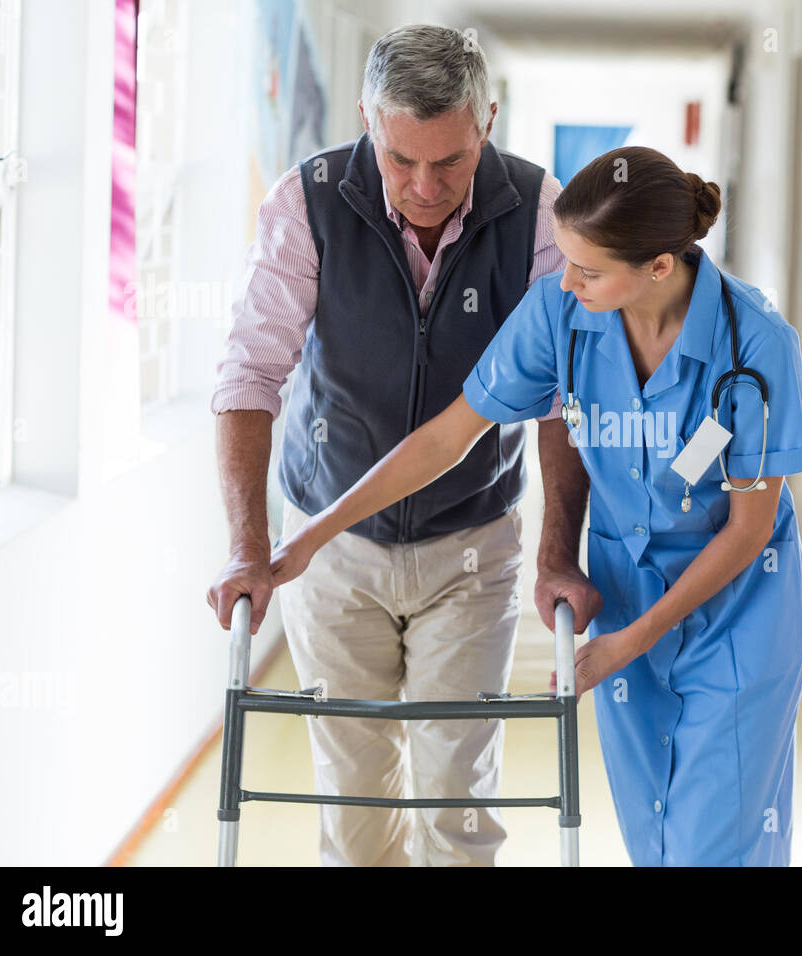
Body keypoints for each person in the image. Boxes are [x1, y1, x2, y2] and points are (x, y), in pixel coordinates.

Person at [268, 145, 802, 867]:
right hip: (627, 596)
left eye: (588, 269)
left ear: (657, 267)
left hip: (739, 614)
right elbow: (447, 438)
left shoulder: (755, 344)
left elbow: (749, 532)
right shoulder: (560, 310)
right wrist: (313, 536)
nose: (567, 279)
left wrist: (633, 640)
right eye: (565, 258)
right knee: (653, 836)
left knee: (712, 847)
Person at [205, 25, 601, 867]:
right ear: (365, 121)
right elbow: (248, 376)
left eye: (450, 162)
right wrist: (249, 546)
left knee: (455, 807)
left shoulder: (536, 212)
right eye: (400, 159)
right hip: (333, 542)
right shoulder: (306, 203)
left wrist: (557, 555)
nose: (425, 188)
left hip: (472, 544)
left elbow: (563, 400)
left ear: (486, 122)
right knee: (353, 812)